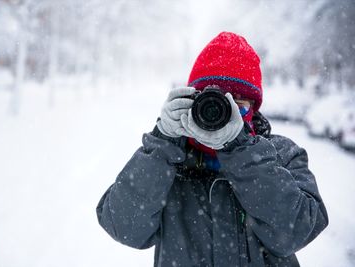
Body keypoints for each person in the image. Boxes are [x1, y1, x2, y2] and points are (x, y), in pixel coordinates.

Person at [96, 32, 328, 267]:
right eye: (212, 99)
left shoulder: (282, 154)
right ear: (191, 100)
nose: (223, 112)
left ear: (254, 109)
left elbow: (297, 230)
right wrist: (163, 141)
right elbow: (123, 226)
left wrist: (240, 149)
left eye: (237, 103)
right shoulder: (170, 157)